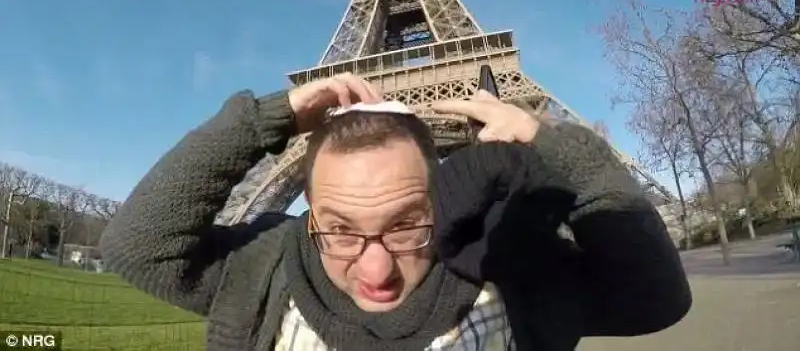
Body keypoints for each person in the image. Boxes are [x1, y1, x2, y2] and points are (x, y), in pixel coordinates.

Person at [100, 73, 691, 351]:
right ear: (307, 211)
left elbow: (656, 297)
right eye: (340, 229)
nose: (375, 271)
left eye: (406, 223)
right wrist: (267, 120)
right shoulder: (264, 267)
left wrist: (552, 142)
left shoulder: (507, 268)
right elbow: (135, 246)